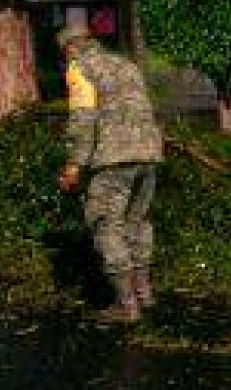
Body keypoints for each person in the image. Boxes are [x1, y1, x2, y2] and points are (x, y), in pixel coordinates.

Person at [55, 23, 164, 324]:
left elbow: (83, 120)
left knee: (106, 225)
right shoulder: (126, 64)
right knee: (138, 221)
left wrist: (74, 164)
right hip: (150, 153)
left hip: (114, 157)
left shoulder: (80, 68)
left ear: (70, 48)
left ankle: (127, 306)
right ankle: (145, 292)